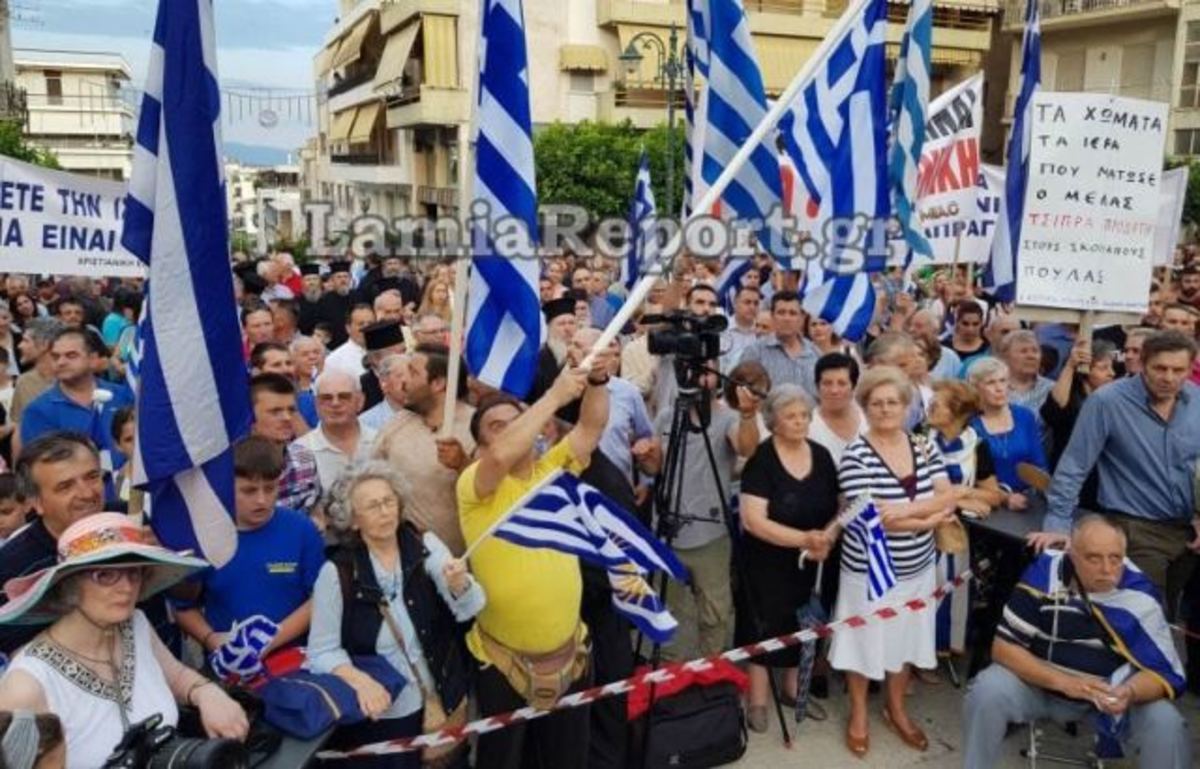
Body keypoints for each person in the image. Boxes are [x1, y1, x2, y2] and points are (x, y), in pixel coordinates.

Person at [0, 513, 249, 767]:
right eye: (105, 575)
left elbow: (176, 676)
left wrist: (207, 693)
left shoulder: (136, 624)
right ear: (69, 584)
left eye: (134, 573)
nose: (127, 588)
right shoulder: (27, 685)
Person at [457, 356, 609, 769]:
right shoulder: (475, 485)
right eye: (496, 427)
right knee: (501, 762)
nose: (511, 433)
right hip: (503, 666)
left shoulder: (552, 472)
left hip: (571, 655)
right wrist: (554, 395)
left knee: (568, 760)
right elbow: (501, 457)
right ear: (480, 446)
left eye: (517, 421)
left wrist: (597, 379)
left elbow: (591, 427)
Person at [962, 516, 1191, 769]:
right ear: (1072, 554)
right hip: (1039, 686)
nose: (1107, 569)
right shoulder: (1043, 577)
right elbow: (1003, 649)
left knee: (1166, 721)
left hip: (1108, 696)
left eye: (1115, 558)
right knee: (987, 689)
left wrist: (1129, 692)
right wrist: (1066, 683)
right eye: (1094, 558)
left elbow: (1161, 671)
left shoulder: (1139, 594)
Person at [309, 462, 484, 769]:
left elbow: (470, 608)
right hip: (385, 709)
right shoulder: (337, 573)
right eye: (372, 506)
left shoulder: (424, 544)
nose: (385, 511)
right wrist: (360, 681)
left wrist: (460, 584)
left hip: (443, 695)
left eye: (389, 501)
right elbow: (321, 652)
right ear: (352, 520)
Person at [830, 366, 954, 758]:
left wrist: (918, 513)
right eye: (877, 403)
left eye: (893, 402)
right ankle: (859, 716)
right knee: (863, 642)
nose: (885, 409)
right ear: (865, 407)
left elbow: (946, 495)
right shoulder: (856, 454)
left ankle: (896, 708)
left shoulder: (924, 445)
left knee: (905, 639)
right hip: (870, 573)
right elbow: (879, 521)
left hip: (918, 568)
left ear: (906, 406)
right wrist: (932, 515)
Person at [1032, 331, 1200, 610]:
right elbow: (1074, 465)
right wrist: (1058, 526)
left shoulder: (1196, 401)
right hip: (1135, 529)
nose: (1169, 377)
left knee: (1173, 621)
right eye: (1160, 368)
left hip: (1189, 534)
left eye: (1178, 370)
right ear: (1142, 363)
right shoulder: (1107, 402)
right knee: (1144, 615)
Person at [738, 385, 838, 732]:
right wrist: (803, 539)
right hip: (766, 561)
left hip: (812, 560)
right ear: (773, 423)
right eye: (790, 417)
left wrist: (827, 536)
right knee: (763, 625)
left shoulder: (822, 456)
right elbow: (753, 520)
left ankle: (794, 691)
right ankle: (759, 701)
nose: (800, 422)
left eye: (804, 416)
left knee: (804, 623)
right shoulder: (762, 459)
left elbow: (838, 506)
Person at [174, 436, 325, 663]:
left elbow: (320, 599)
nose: (262, 500)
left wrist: (271, 639)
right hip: (229, 664)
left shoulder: (301, 530)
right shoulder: (203, 537)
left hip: (294, 660)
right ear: (225, 486)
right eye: (249, 491)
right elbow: (183, 608)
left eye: (270, 488)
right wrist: (211, 639)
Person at [0, 434, 105, 654]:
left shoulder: (132, 522)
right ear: (34, 502)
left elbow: (185, 596)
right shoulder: (11, 567)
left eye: (92, 477)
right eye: (65, 487)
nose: (87, 493)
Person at [374, 344, 476, 555]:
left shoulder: (476, 427)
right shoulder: (395, 426)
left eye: (412, 372)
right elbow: (373, 478)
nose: (403, 382)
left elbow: (495, 488)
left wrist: (463, 465)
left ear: (438, 383)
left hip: (464, 562)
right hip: (408, 561)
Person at [966, 358, 1047, 510]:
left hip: (1027, 503)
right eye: (991, 383)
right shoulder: (969, 424)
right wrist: (1005, 498)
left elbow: (1039, 465)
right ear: (975, 388)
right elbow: (968, 477)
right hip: (987, 504)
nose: (999, 388)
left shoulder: (1025, 416)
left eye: (1003, 381)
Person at [250, 374, 322, 516]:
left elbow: (316, 515)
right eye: (275, 412)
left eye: (291, 410)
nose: (287, 418)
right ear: (251, 416)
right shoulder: (231, 467)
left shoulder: (305, 458)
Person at [294, 370, 376, 492]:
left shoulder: (381, 441)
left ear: (360, 401)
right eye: (326, 398)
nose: (335, 403)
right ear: (316, 405)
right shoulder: (299, 453)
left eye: (344, 397)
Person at [738, 290, 820, 400]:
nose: (787, 318)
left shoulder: (815, 354)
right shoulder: (755, 353)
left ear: (802, 318)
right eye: (781, 312)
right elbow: (743, 393)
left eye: (793, 313)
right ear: (772, 316)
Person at [10, 319, 66, 451]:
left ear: (44, 345)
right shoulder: (23, 382)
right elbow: (20, 430)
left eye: (26, 340)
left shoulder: (72, 379)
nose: (19, 346)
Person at [808, 353, 864, 466]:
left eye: (842, 383)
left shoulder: (869, 419)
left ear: (853, 386)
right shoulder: (808, 426)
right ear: (817, 386)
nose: (834, 390)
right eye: (827, 383)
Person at [999, 330, 1054, 417]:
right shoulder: (994, 387)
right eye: (1023, 351)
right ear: (1005, 357)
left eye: (1035, 351)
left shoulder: (1052, 389)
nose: (1031, 356)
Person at [359, 321, 407, 412]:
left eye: (404, 351)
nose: (404, 357)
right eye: (398, 354)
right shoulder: (362, 388)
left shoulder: (417, 379)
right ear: (376, 359)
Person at [325, 304, 377, 380]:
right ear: (348, 328)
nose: (366, 328)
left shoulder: (387, 352)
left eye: (370, 323)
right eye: (361, 324)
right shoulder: (334, 360)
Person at [359, 353, 407, 432]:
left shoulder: (427, 414)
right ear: (383, 383)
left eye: (412, 375)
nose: (406, 380)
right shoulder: (366, 423)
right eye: (400, 375)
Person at [721, 286, 760, 374]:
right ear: (735, 304)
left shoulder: (762, 332)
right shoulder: (723, 330)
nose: (752, 307)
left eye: (756, 303)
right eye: (747, 302)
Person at [943, 300, 989, 372]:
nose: (970, 329)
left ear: (982, 323)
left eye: (975, 324)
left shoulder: (989, 349)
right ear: (957, 322)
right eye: (965, 324)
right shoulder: (944, 348)